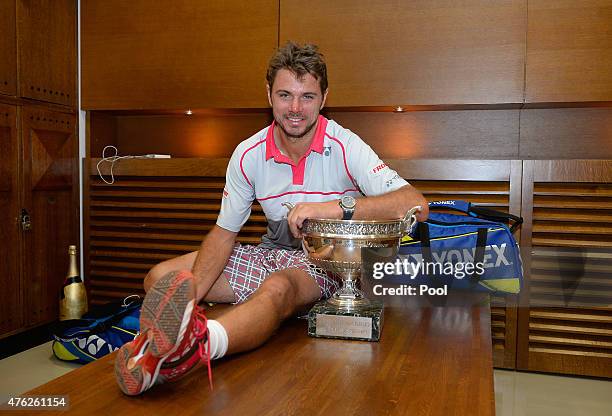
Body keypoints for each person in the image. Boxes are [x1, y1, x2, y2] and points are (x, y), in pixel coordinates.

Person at [114, 42, 429, 396]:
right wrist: (189, 300)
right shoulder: (248, 153)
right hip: (271, 252)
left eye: (307, 96)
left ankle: (195, 348)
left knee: (278, 288)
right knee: (160, 277)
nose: (295, 108)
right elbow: (223, 233)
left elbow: (415, 204)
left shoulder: (344, 144)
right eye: (285, 95)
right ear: (269, 94)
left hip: (324, 262)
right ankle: (172, 341)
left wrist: (333, 208)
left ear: (324, 98)